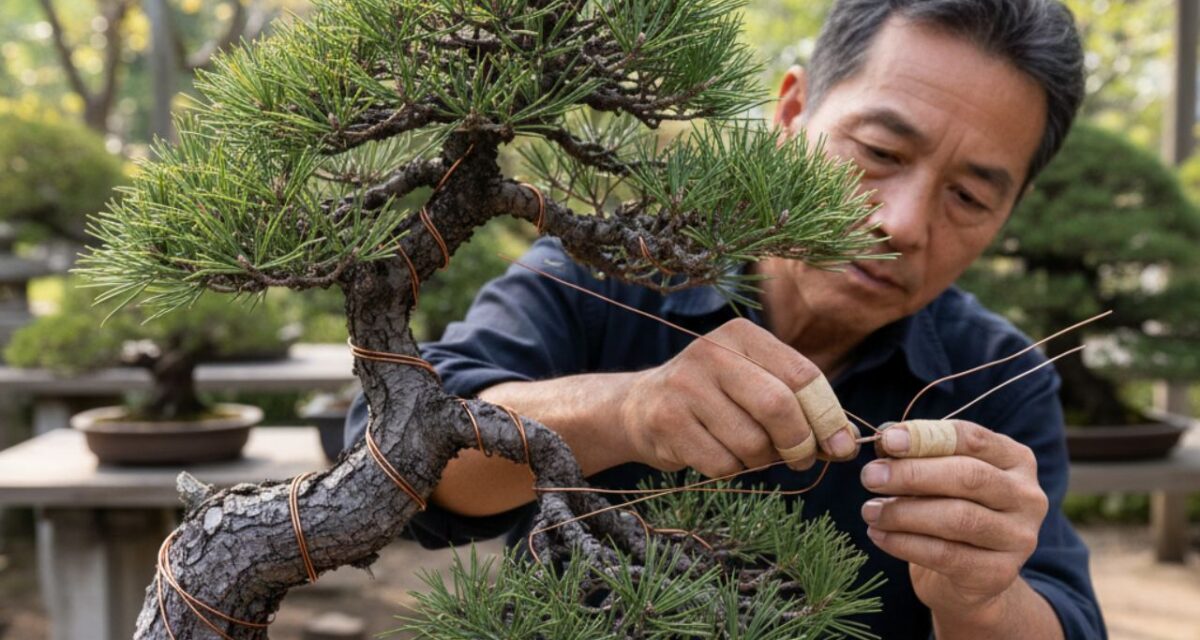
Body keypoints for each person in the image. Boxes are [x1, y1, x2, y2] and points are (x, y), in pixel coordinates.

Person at [345, 0, 1105, 636]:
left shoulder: (999, 381)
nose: (904, 223)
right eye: (879, 151)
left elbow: (1065, 615)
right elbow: (390, 447)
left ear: (1010, 213)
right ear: (791, 112)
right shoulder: (612, 267)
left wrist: (983, 597)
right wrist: (630, 410)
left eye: (970, 197)